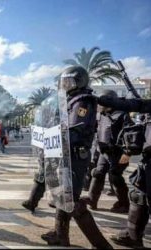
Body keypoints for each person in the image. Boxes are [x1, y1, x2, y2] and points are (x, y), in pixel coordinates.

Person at [41, 66, 112, 248]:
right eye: (63, 82)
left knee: (72, 201)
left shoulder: (83, 101)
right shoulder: (71, 100)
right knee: (63, 197)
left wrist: (52, 136)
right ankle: (60, 235)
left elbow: (75, 130)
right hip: (67, 154)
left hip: (75, 156)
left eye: (68, 81)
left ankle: (102, 245)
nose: (65, 85)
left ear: (78, 81)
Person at [97, 93, 151, 248]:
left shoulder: (121, 116)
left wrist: (126, 153)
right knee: (138, 195)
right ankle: (133, 236)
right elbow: (137, 105)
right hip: (148, 158)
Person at [82, 89, 132, 213]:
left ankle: (124, 204)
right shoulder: (101, 114)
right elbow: (94, 129)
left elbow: (131, 134)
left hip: (118, 153)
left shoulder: (122, 114)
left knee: (115, 177)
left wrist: (127, 152)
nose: (99, 105)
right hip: (103, 151)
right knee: (98, 173)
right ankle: (92, 199)